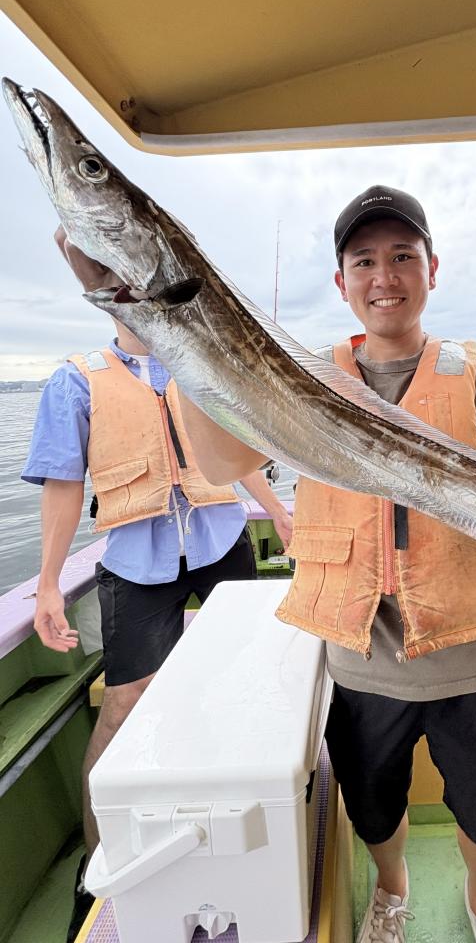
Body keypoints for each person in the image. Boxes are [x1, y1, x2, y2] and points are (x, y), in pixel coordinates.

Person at [178, 185, 476, 943]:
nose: (385, 276)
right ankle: (393, 889)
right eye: (365, 261)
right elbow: (220, 465)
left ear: (433, 269)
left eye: (403, 256)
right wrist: (176, 346)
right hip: (361, 657)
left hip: (473, 652)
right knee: (373, 806)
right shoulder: (303, 375)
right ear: (341, 281)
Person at [23, 230, 294, 942]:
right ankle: (97, 866)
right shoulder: (75, 380)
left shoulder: (198, 366)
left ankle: (251, 818)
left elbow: (237, 457)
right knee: (124, 703)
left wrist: (279, 513)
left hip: (219, 538)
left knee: (249, 685)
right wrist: (48, 584)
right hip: (135, 557)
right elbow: (62, 484)